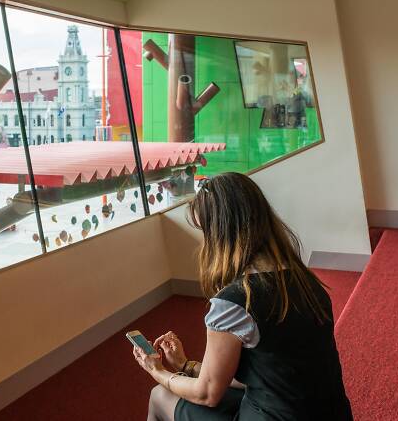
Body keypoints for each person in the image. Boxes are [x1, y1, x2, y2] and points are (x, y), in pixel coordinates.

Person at [132, 172, 352, 421]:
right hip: (330, 414)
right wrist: (186, 366)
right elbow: (263, 371)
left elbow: (207, 394)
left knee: (159, 396)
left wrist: (157, 370)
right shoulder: (306, 280)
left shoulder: (233, 303)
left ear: (220, 233)